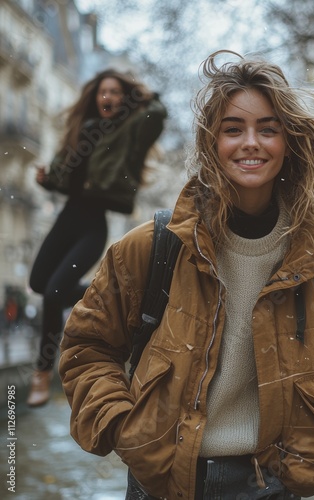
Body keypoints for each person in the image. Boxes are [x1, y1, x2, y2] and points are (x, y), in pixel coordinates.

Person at [58, 50, 314, 499]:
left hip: (273, 484)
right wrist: (125, 427)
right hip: (163, 481)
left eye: (268, 129)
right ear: (210, 142)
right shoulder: (155, 245)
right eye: (233, 129)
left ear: (289, 141)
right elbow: (86, 345)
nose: (250, 143)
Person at [27, 68, 167, 407]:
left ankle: (42, 374)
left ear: (124, 98)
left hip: (93, 223)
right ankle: (118, 297)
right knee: (38, 284)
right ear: (95, 97)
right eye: (103, 92)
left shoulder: (130, 129)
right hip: (67, 219)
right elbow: (62, 177)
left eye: (116, 92)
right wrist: (47, 179)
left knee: (54, 294)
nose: (109, 98)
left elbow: (157, 116)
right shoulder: (82, 130)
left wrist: (146, 97)